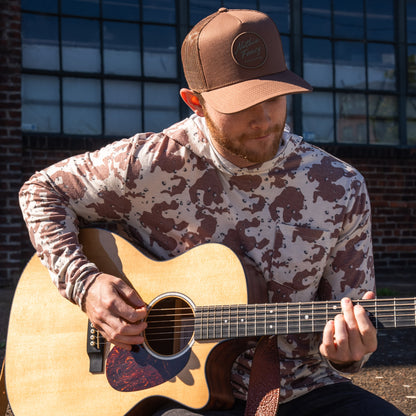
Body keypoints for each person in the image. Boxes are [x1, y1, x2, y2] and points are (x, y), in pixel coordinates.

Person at [19, 7, 404, 416]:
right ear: (195, 102)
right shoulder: (151, 162)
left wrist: (347, 353)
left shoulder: (339, 186)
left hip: (303, 390)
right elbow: (41, 191)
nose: (263, 118)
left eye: (274, 97)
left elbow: (350, 323)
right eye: (240, 105)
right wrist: (87, 285)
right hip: (172, 392)